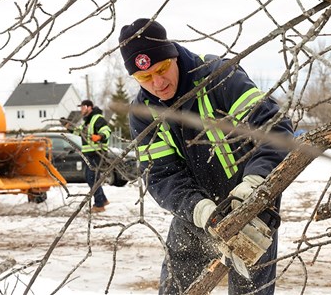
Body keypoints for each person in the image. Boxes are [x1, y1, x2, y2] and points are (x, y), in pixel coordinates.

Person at [119, 18, 293, 294]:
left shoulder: (218, 76)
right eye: (144, 77)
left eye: (162, 69)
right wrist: (200, 210)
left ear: (172, 55)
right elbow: (161, 175)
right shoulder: (144, 113)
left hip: (250, 202)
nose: (158, 82)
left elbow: (274, 129)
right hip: (198, 208)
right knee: (177, 286)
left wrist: (254, 186)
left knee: (251, 288)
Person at [72, 99, 112, 213]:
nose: (81, 109)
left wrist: (100, 136)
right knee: (92, 178)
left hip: (97, 152)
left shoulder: (97, 118)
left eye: (83, 107)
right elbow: (77, 132)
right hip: (89, 153)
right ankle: (103, 200)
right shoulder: (86, 121)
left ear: (89, 107)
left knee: (92, 178)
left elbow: (107, 130)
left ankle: (99, 205)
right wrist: (67, 125)